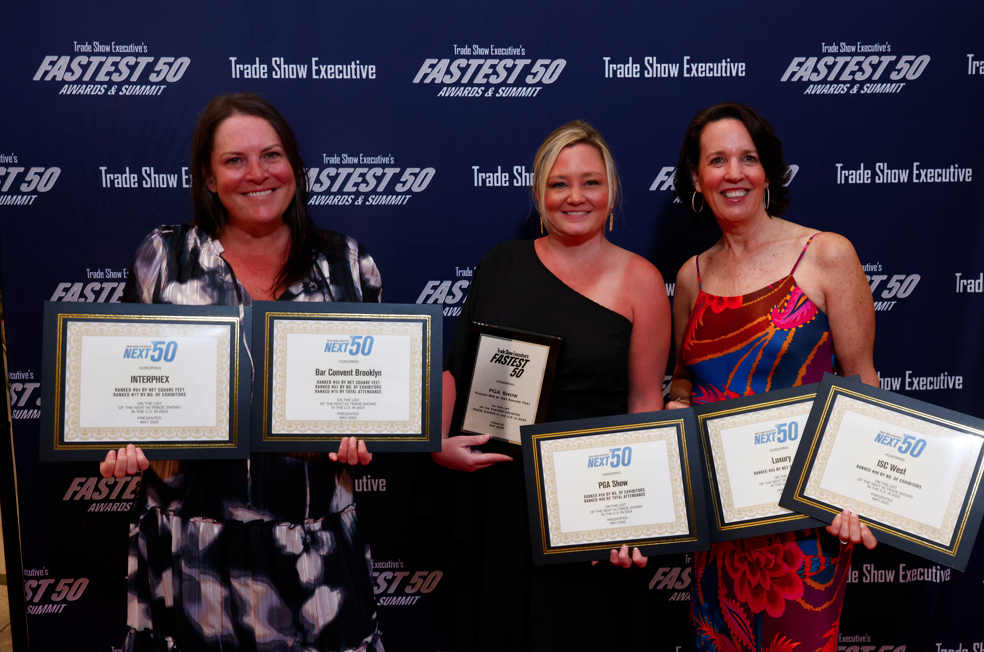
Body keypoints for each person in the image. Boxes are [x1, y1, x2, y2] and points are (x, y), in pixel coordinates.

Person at [100, 93, 385, 652]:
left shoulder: (346, 262)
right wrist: (120, 440)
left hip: (315, 545)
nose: (257, 174)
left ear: (295, 166)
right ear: (208, 177)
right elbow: (122, 385)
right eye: (235, 160)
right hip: (190, 545)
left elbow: (375, 390)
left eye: (271, 155)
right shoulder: (164, 258)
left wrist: (368, 430)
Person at [430, 120, 670, 651]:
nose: (575, 197)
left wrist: (636, 515)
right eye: (559, 184)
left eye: (591, 182)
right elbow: (457, 368)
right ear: (540, 193)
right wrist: (438, 443)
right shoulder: (501, 263)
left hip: (592, 497)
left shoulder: (642, 280)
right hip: (502, 493)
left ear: (612, 191)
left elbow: (644, 401)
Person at [664, 102, 878, 651]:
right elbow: (684, 376)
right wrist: (677, 402)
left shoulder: (826, 255)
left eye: (748, 158)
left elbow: (861, 382)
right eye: (717, 160)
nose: (733, 173)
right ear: (696, 179)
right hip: (718, 520)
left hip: (805, 524)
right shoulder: (691, 276)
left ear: (767, 172)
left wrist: (855, 493)